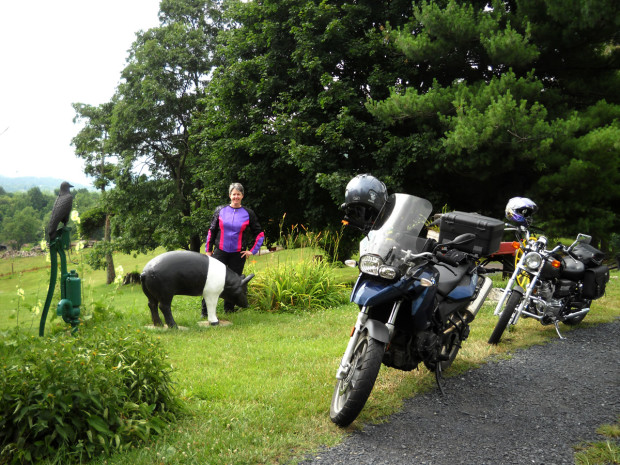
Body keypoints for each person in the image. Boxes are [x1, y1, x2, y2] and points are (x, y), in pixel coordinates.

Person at [203, 183, 264, 316]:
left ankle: (229, 310)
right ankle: (205, 310)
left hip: (238, 254)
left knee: (233, 283)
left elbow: (259, 234)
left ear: (242, 196)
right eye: (233, 194)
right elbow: (211, 231)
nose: (236, 196)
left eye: (238, 194)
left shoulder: (248, 213)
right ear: (229, 195)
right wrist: (208, 250)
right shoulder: (220, 210)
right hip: (220, 251)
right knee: (212, 280)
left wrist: (252, 251)